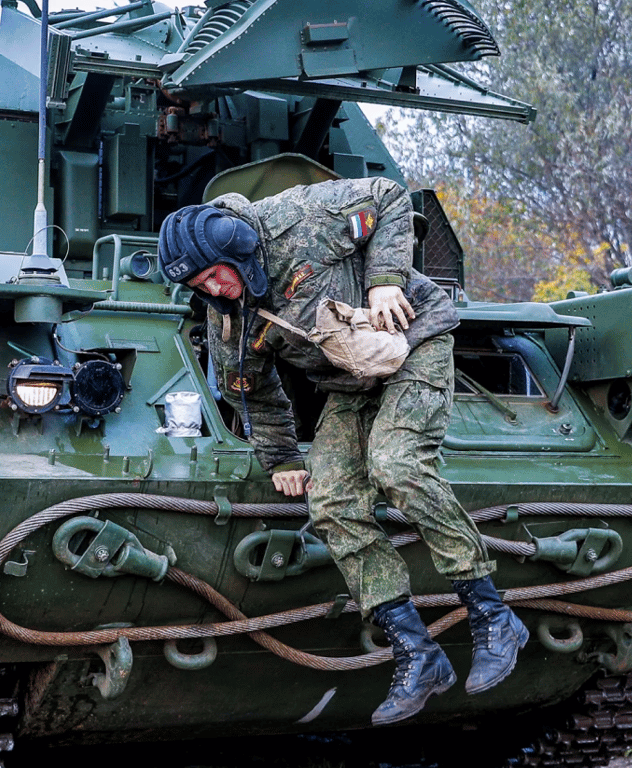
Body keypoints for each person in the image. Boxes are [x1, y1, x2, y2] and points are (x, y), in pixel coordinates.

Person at [157, 177, 528, 726]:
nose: (213, 289)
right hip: (352, 382)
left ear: (234, 244)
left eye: (214, 274)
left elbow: (387, 196)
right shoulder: (227, 314)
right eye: (199, 284)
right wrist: (282, 457)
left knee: (396, 464)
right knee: (329, 501)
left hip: (413, 338)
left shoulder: (296, 221)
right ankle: (417, 653)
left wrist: (383, 281)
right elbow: (250, 388)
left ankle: (494, 616)